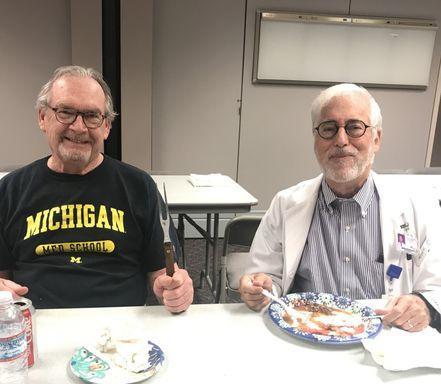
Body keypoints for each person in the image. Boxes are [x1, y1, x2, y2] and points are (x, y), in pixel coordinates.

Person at [239, 83, 441, 332]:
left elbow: (435, 286)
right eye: (329, 129)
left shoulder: (416, 206)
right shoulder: (286, 204)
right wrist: (262, 288)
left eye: (355, 127)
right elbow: (266, 276)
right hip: (307, 334)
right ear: (316, 139)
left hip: (384, 339)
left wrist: (423, 306)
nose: (341, 140)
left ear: (376, 139)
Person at [0, 66, 193, 312]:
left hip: (121, 335)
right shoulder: (10, 191)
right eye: (65, 112)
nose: (79, 127)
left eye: (92, 116)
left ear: (106, 127)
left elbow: (161, 273)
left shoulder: (139, 187)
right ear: (42, 118)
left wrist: (174, 288)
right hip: (37, 327)